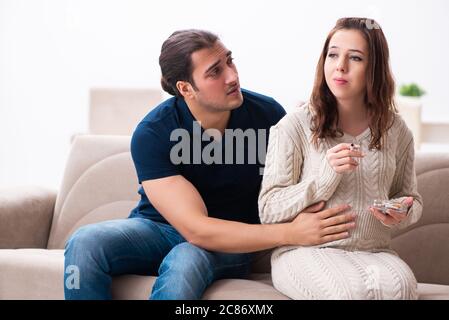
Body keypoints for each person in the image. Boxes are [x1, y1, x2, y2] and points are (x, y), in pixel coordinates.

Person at [64, 29, 355, 300]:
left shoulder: (267, 115)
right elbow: (196, 228)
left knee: (185, 259)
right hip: (159, 228)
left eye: (229, 61)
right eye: (215, 71)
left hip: (235, 236)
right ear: (186, 88)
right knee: (85, 241)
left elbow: (298, 182)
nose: (232, 76)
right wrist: (290, 233)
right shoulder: (154, 132)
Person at [258, 18, 423, 300]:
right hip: (306, 252)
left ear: (375, 68)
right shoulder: (294, 126)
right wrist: (323, 179)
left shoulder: (396, 130)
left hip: (375, 252)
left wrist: (403, 211)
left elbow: (411, 198)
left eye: (355, 58)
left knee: (401, 289)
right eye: (333, 55)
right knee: (347, 293)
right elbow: (268, 209)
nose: (340, 66)